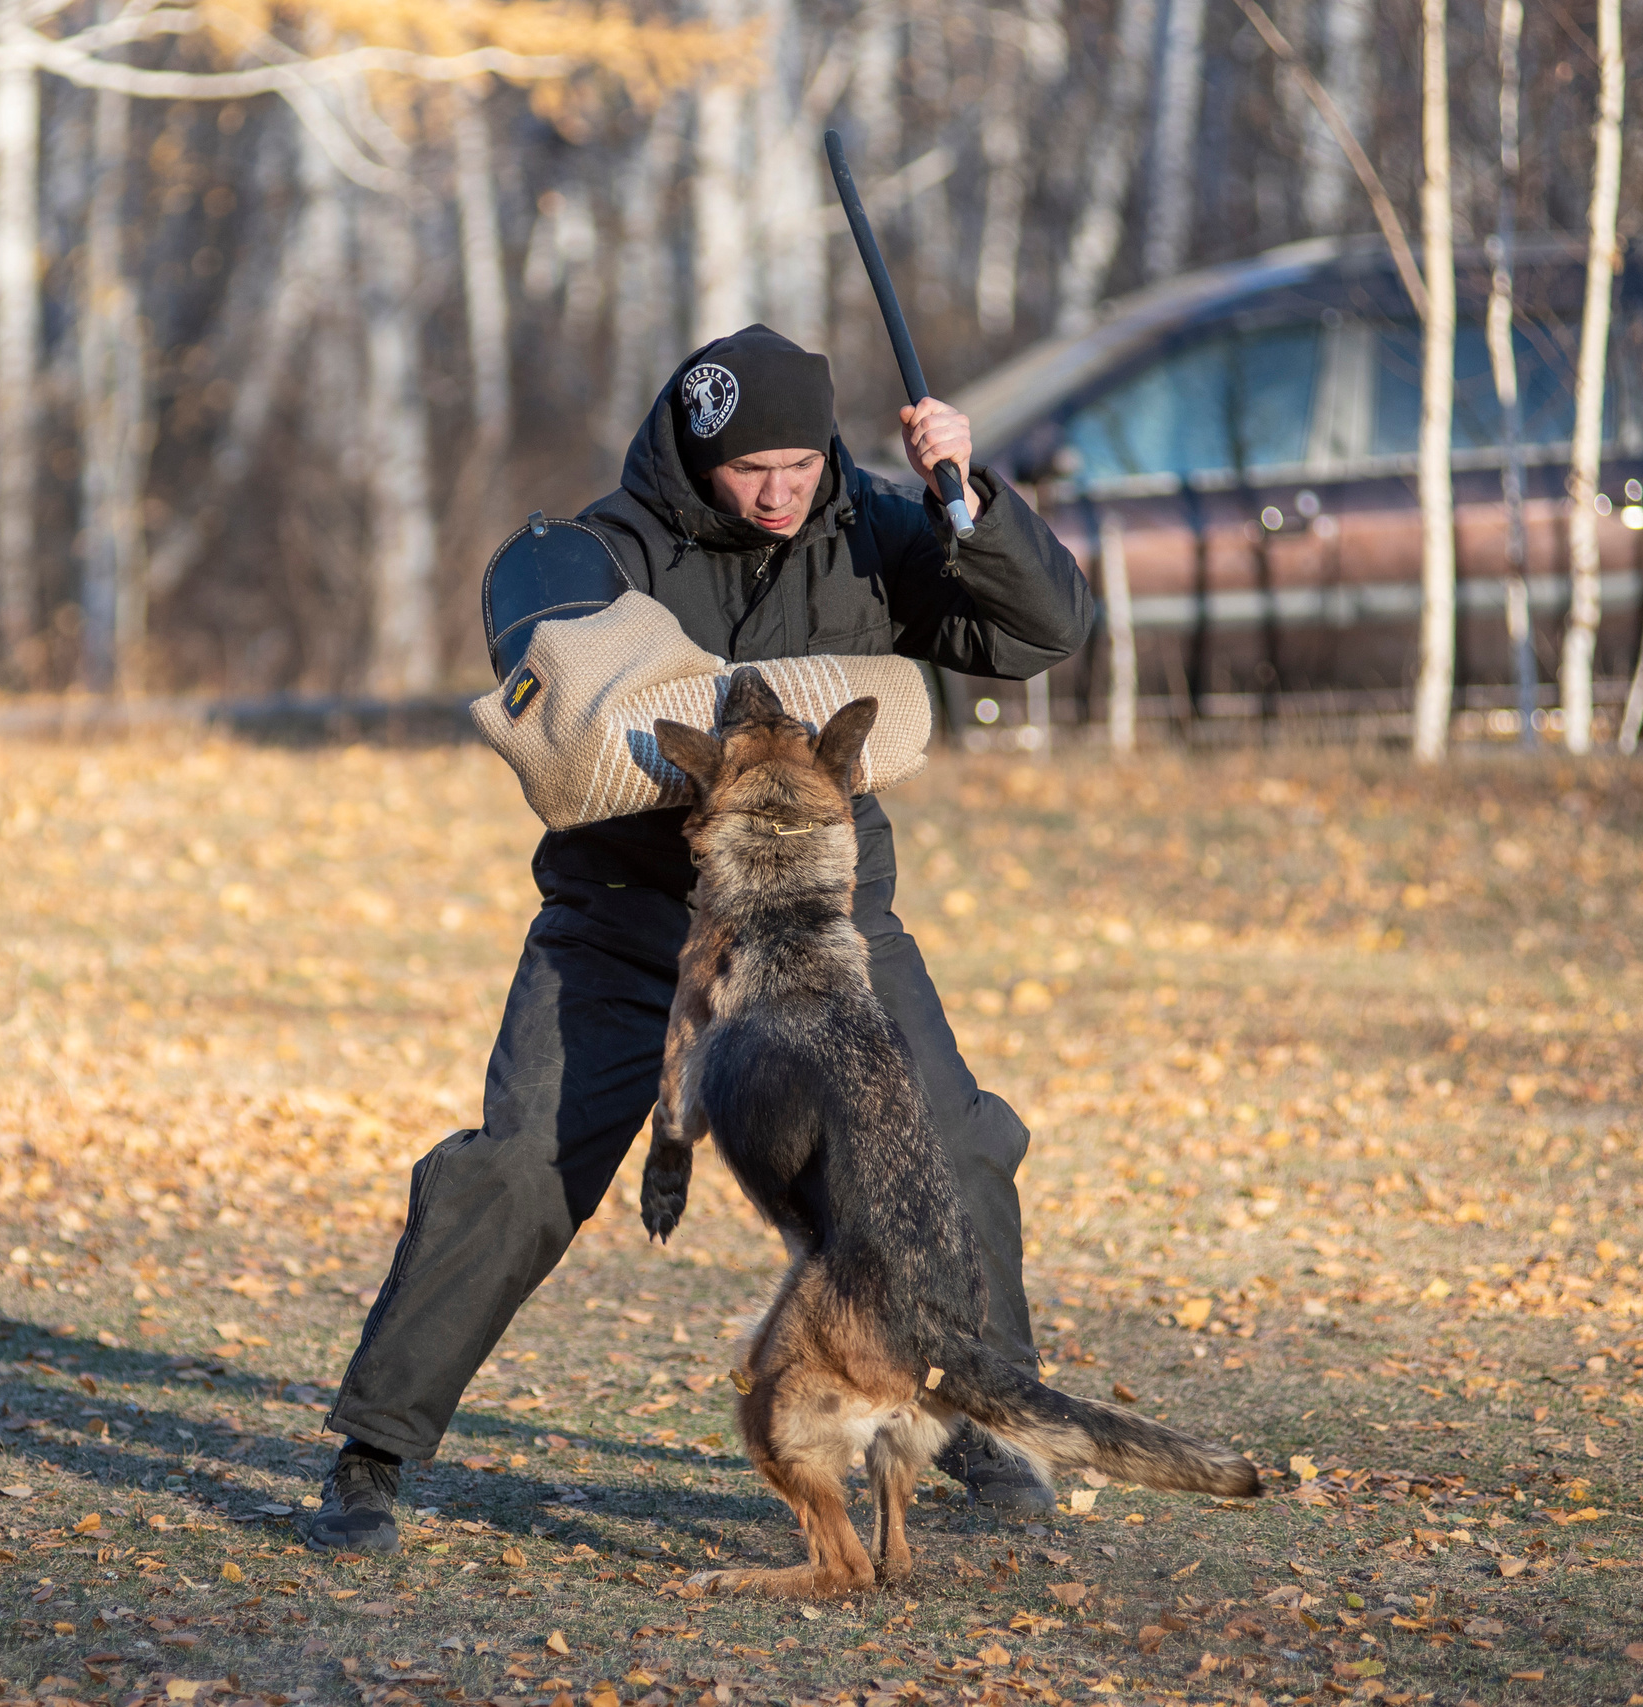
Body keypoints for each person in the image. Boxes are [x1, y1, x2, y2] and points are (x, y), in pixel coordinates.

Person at [305, 323, 1097, 1554]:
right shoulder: (598, 551)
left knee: (953, 1141)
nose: (778, 493)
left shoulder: (881, 528)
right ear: (693, 454)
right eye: (748, 470)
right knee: (522, 1166)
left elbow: (1043, 635)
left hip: (825, 923)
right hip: (628, 927)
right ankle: (375, 1453)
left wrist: (972, 501)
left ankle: (985, 1425)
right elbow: (556, 688)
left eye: (797, 463)